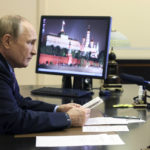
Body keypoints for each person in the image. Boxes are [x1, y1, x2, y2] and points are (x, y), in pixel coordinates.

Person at [0, 15, 90, 134]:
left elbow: (20, 103)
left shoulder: (5, 66)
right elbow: (12, 120)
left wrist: (58, 109)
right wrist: (68, 118)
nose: (34, 51)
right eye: (30, 43)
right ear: (7, 41)